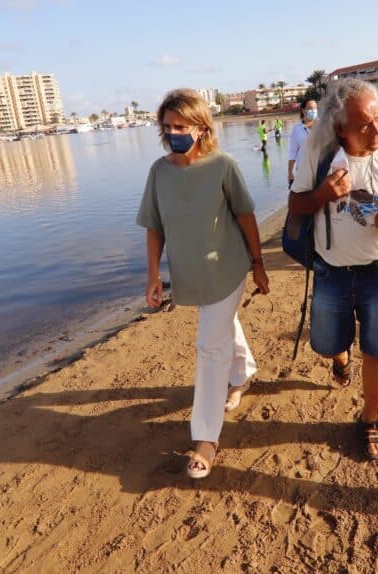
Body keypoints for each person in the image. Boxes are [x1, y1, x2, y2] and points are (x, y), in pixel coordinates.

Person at [137, 89, 270, 480]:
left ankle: (206, 437)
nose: (173, 132)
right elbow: (154, 226)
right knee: (221, 324)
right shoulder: (159, 172)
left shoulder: (223, 166)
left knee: (209, 347)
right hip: (189, 275)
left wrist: (259, 264)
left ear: (200, 128)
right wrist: (153, 275)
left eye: (181, 126)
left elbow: (245, 217)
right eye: (167, 126)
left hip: (227, 270)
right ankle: (244, 372)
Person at [289, 79, 378, 460]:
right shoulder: (318, 155)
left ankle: (370, 418)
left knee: (376, 350)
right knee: (330, 343)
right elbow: (296, 205)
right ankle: (339, 359)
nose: (376, 129)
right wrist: (322, 195)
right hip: (331, 274)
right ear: (339, 128)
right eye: (364, 123)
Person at [287, 97, 317, 185]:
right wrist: (290, 173)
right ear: (303, 110)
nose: (314, 111)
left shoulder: (322, 126)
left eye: (315, 108)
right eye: (310, 108)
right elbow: (292, 153)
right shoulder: (296, 129)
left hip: (320, 170)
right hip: (303, 171)